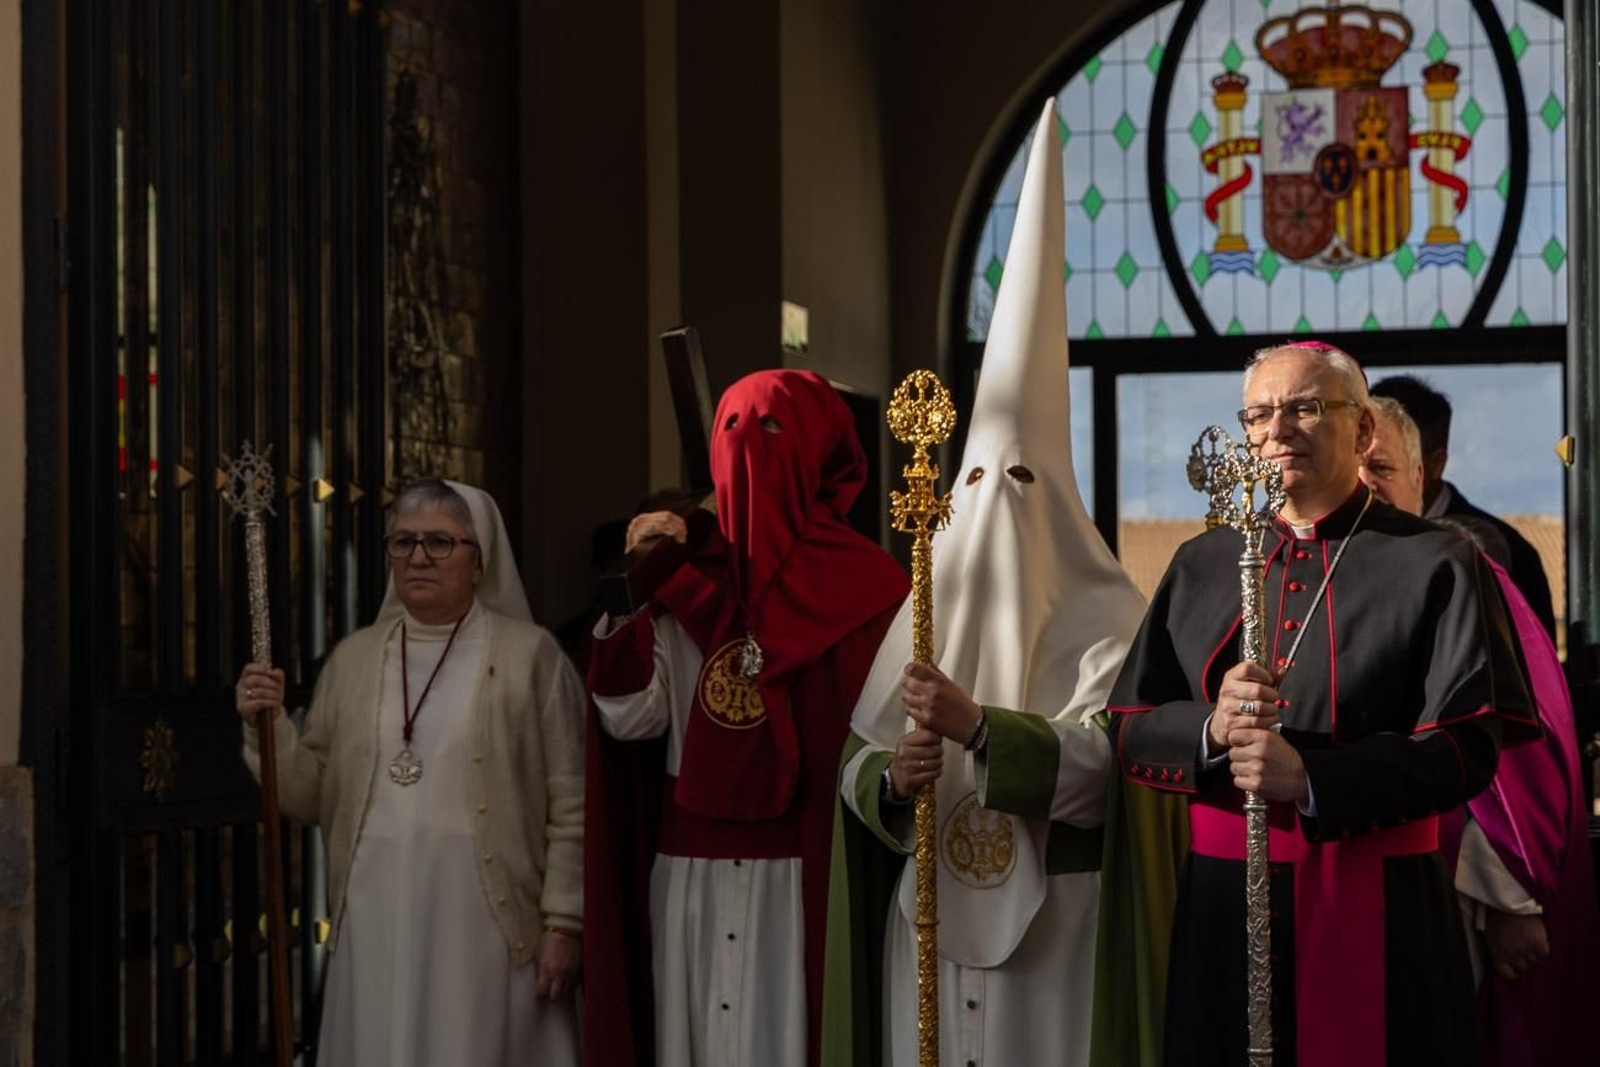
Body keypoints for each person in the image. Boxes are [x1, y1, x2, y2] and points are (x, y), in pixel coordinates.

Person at [821, 101, 1146, 1067]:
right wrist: (890, 781)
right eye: (974, 482)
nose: (992, 507)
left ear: (1058, 502)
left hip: (1059, 924)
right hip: (927, 908)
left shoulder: (1111, 618)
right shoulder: (924, 601)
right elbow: (858, 761)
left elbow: (1109, 773)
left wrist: (977, 729)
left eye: (1018, 483)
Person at [1108, 341, 1538, 1067]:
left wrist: (1310, 780)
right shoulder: (1201, 563)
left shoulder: (1440, 562)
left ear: (1364, 430)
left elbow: (1467, 747)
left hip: (1383, 911)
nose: (1278, 428)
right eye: (1260, 413)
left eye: (1306, 406)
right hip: (1223, 911)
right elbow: (1129, 729)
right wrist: (1212, 728)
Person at [583, 368, 909, 1067]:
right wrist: (633, 588)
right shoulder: (681, 567)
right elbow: (630, 719)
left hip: (800, 869)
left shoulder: (871, 586)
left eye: (769, 429)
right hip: (688, 871)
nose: (746, 448)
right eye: (730, 427)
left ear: (818, 449)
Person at [236, 478, 585, 1066]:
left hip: (486, 930)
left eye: (441, 543)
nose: (419, 557)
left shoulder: (533, 659)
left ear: (481, 561)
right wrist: (266, 728)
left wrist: (564, 923)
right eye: (403, 542)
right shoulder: (355, 659)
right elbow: (311, 795)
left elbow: (572, 801)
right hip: (378, 919)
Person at [1360, 400, 1600, 1067]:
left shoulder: (1466, 575)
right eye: (1352, 467)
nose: (1366, 482)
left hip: (1459, 889)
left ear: (1421, 476)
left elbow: (1525, 754)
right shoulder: (1322, 582)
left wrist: (1508, 897)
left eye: (1380, 465)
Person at [1369, 374, 1556, 638]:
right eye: (1353, 461)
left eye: (1381, 466)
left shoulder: (1506, 552)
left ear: (1431, 465)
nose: (1365, 482)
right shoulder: (1338, 544)